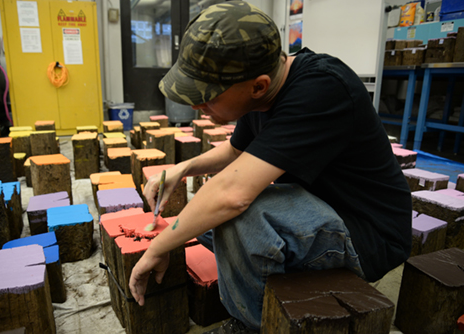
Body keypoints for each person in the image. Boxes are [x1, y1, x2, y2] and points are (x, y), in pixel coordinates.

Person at [128, 2, 412, 333]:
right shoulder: (261, 88)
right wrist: (182, 167)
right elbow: (235, 152)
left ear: (259, 85)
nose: (196, 105)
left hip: (367, 234)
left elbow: (232, 194)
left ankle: (255, 324)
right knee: (203, 222)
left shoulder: (322, 89)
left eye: (207, 96)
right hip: (320, 209)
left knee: (238, 217)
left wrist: (158, 249)